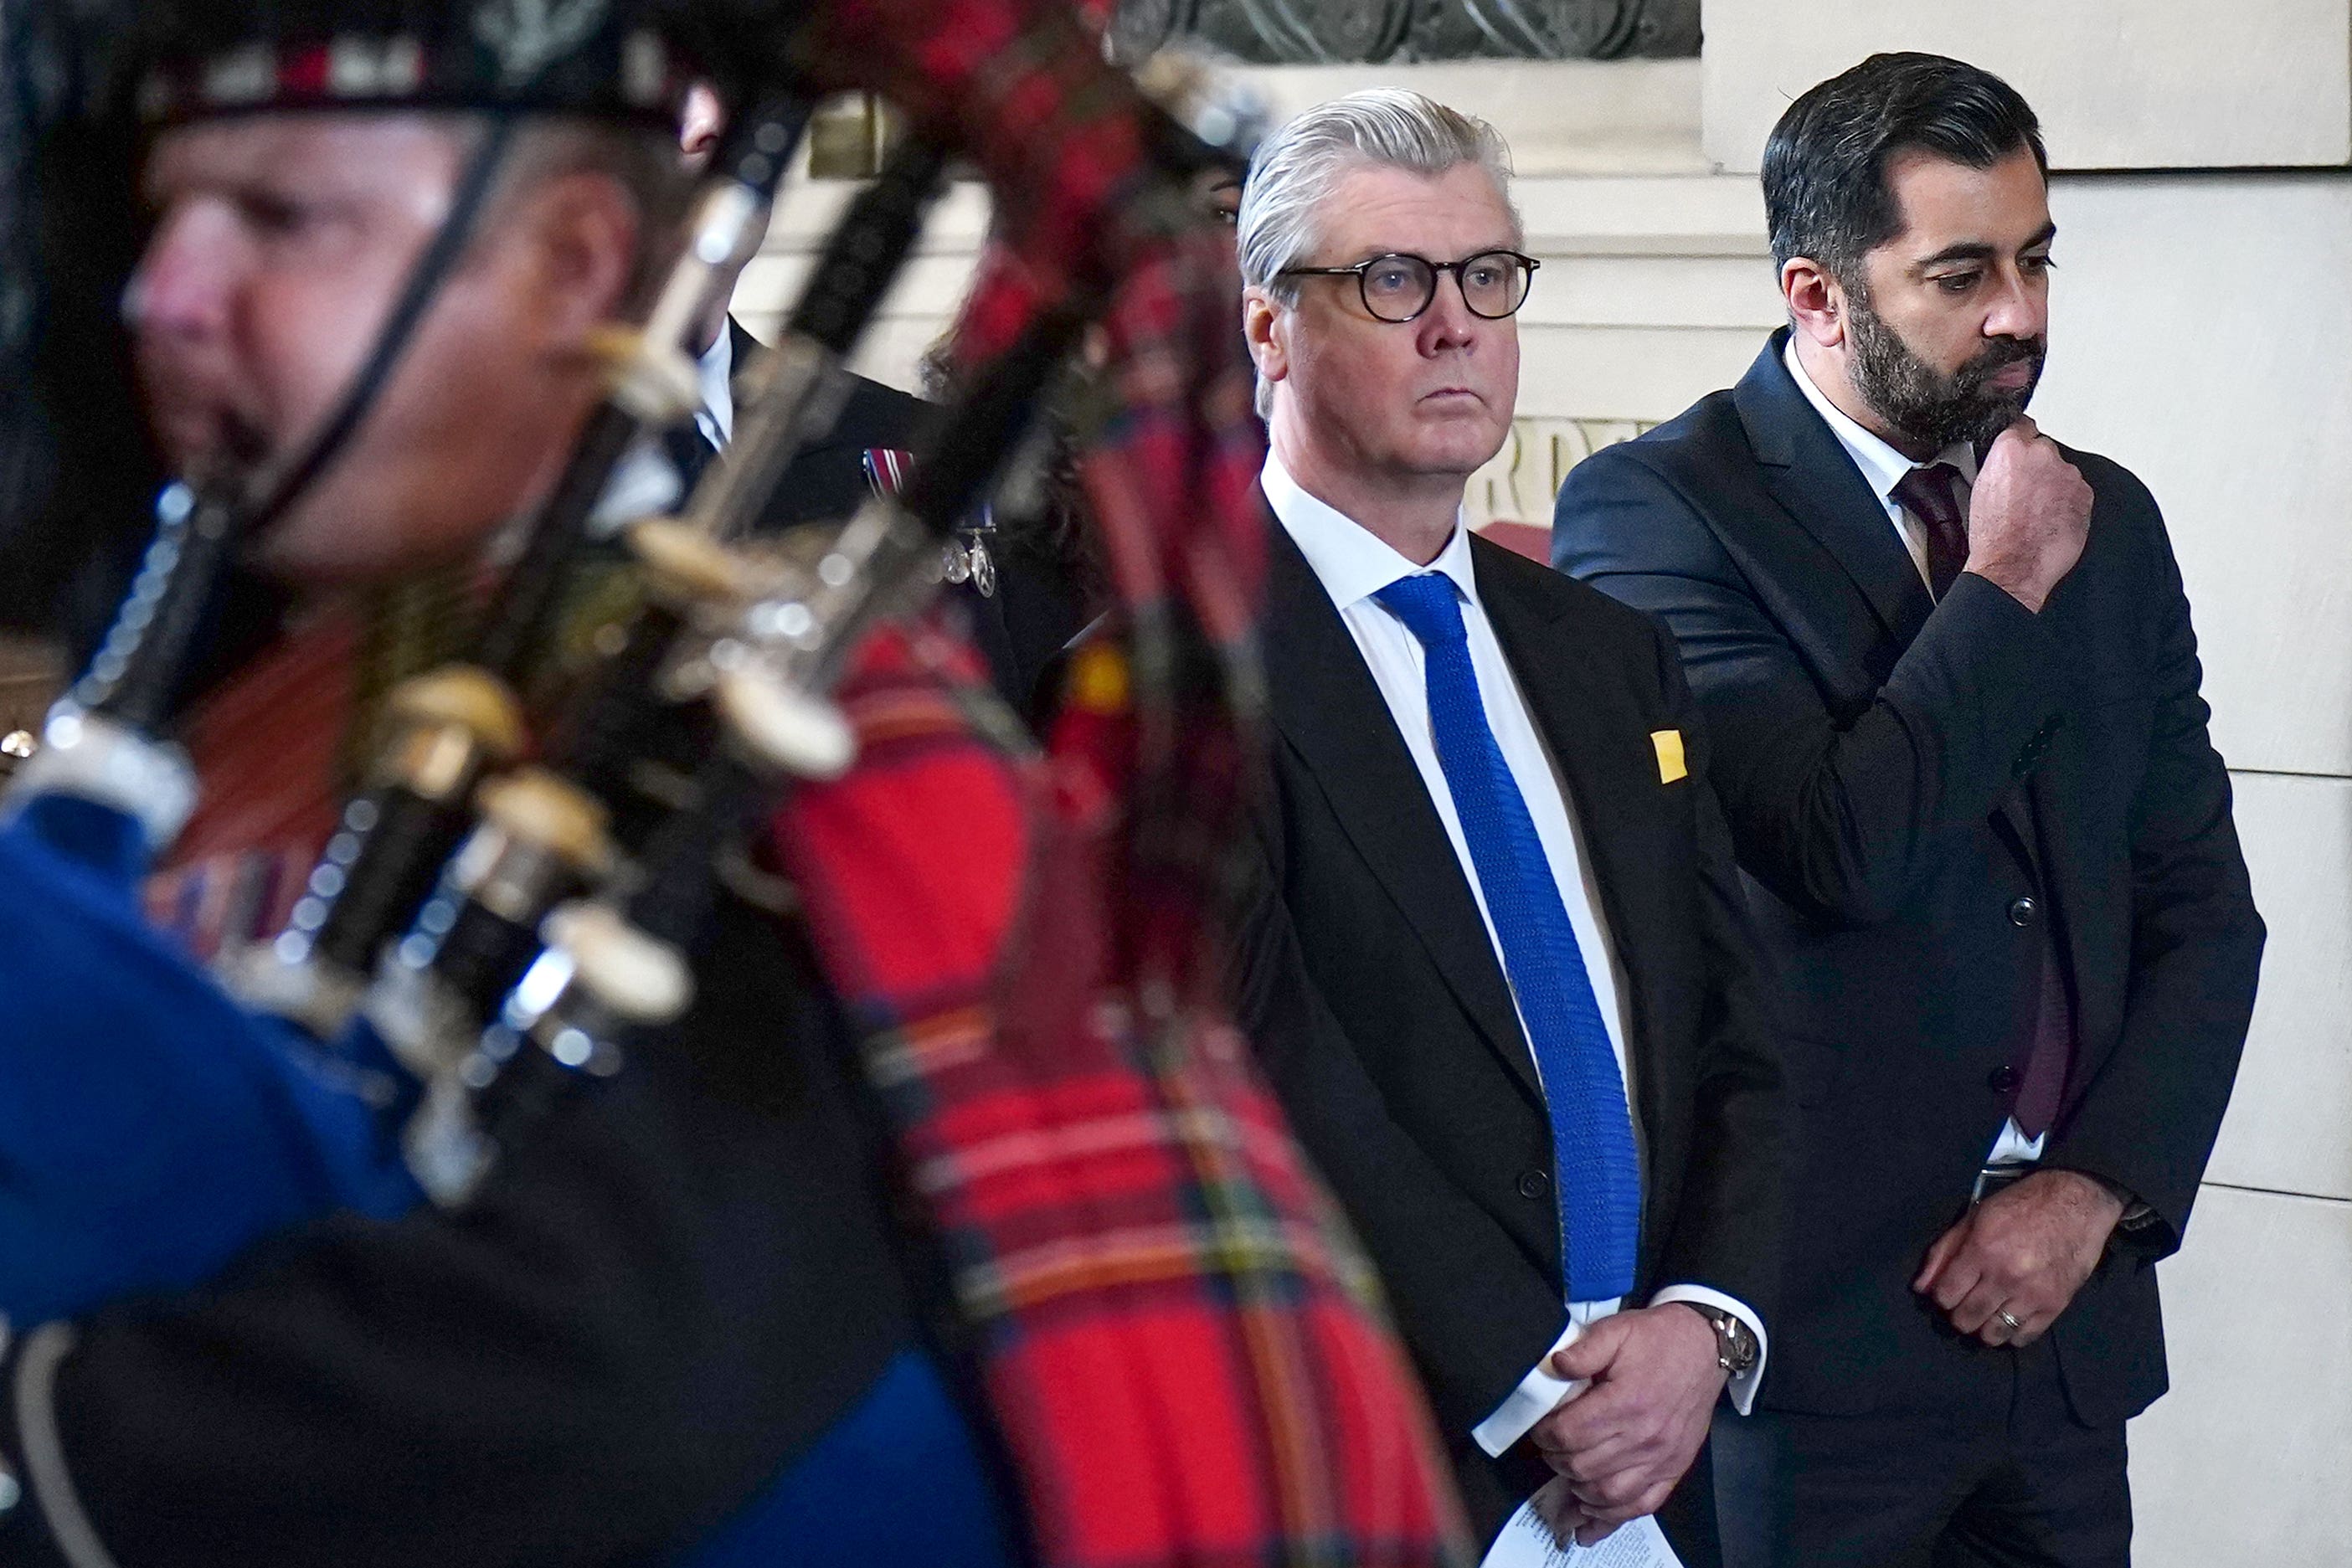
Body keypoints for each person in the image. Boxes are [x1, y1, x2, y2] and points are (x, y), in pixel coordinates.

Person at [0, 3, 1472, 1563]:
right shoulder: (252, 718)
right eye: (165, 218)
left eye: (282, 218)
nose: (168, 294)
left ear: (574, 267)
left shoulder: (821, 762)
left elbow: (593, 1386)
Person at [1551, 52, 2264, 1568]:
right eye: (1961, 273)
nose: (2021, 313)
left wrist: (2093, 1190)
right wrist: (2001, 584)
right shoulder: (1654, 512)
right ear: (1817, 295)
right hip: (1810, 1358)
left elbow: (2202, 905)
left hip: (2066, 1337)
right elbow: (1836, 845)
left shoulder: (2104, 518)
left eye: (2033, 258)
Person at [1228, 88, 1788, 1560]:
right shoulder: (1181, 673)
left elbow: (1734, 1021)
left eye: (1487, 277)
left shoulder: (1606, 656)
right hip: (1397, 1460)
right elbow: (1259, 1077)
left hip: (1659, 1461)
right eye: (1392, 281)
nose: (1454, 326)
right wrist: (1530, 1382)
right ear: (1268, 329)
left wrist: (1701, 1327)